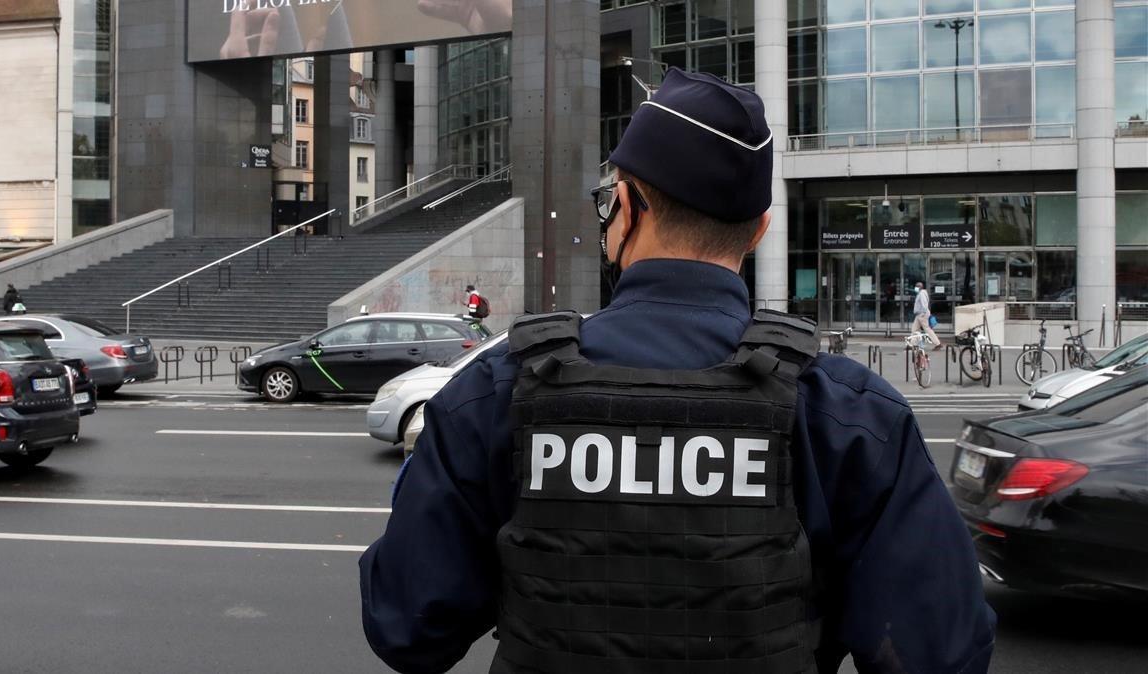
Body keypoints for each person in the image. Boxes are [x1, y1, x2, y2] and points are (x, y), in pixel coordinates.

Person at [360, 69, 995, 673]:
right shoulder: (850, 414)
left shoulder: (500, 387)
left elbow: (407, 628)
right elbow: (941, 653)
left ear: (628, 208)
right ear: (759, 232)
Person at [911, 281, 942, 350]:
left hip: (922, 315)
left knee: (927, 329)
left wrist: (922, 314)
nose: (915, 288)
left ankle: (938, 344)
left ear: (920, 287)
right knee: (914, 329)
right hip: (919, 315)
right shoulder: (921, 293)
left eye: (916, 286)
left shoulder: (921, 294)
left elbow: (924, 305)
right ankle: (912, 345)